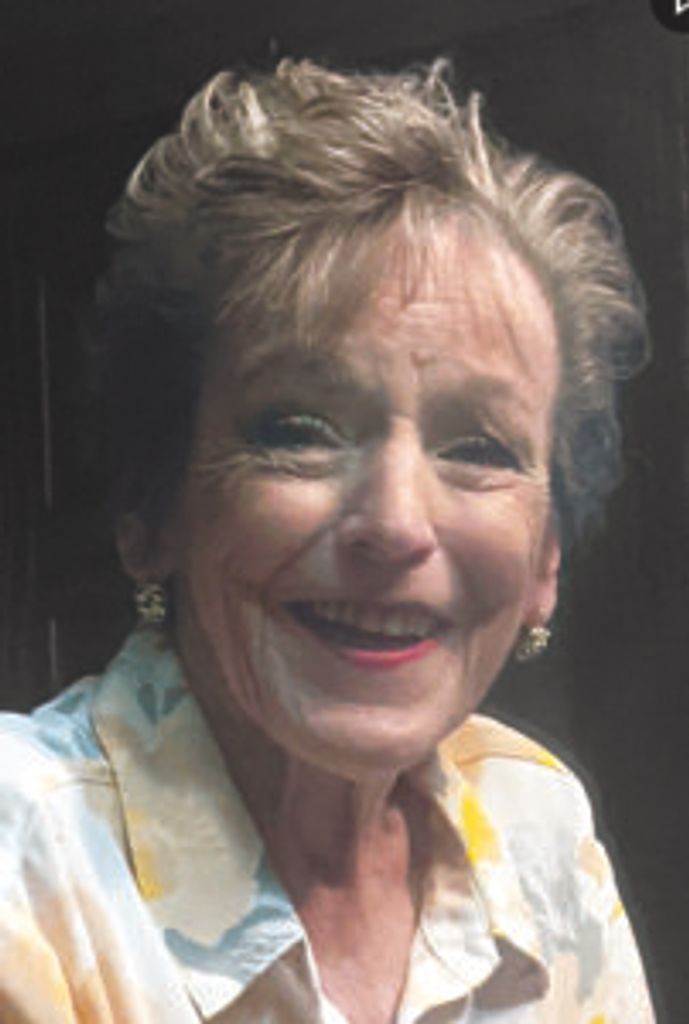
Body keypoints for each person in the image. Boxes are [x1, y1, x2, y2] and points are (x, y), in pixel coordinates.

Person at [0, 60, 655, 1023]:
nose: (394, 523)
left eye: (479, 448)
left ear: (544, 561)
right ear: (151, 512)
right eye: (297, 430)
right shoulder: (21, 854)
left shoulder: (533, 821)